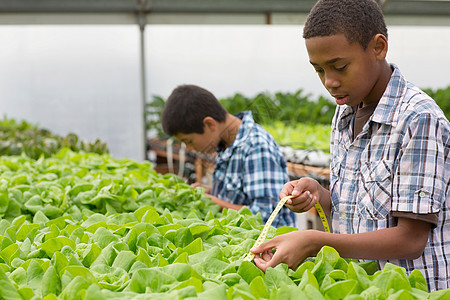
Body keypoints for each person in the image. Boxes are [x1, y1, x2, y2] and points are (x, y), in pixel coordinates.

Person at [250, 0, 449, 292]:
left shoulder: (418, 119)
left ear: (378, 47)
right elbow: (356, 213)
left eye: (339, 66)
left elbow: (410, 239)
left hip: (411, 291)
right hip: (363, 289)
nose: (329, 82)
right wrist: (318, 195)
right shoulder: (344, 114)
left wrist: (316, 242)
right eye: (318, 70)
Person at [160, 84, 296, 228]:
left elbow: (267, 217)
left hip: (271, 246)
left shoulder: (256, 146)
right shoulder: (225, 144)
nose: (189, 148)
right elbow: (242, 195)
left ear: (209, 124)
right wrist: (210, 192)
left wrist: (214, 203)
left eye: (189, 141)